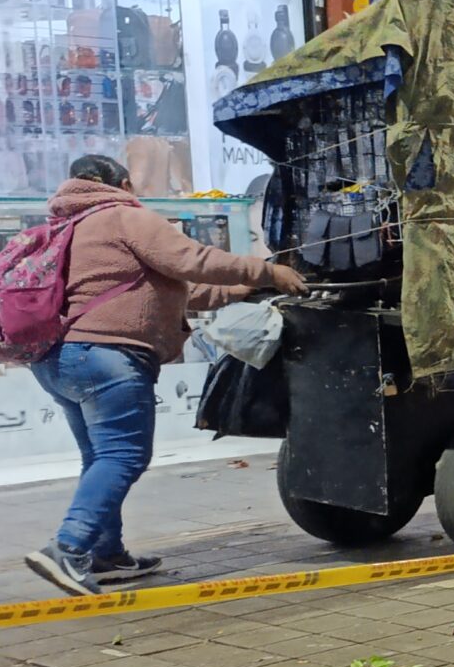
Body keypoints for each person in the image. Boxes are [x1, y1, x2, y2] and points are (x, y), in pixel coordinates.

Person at [24, 153, 303, 596]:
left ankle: (106, 554)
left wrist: (239, 289)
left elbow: (176, 287)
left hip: (59, 359)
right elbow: (191, 259)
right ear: (125, 184)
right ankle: (68, 548)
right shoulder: (122, 216)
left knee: (100, 458)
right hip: (108, 355)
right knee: (124, 456)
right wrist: (268, 270)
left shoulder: (65, 225)